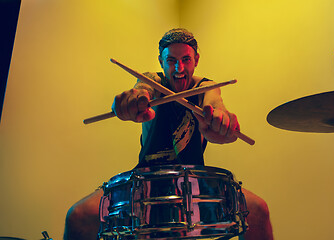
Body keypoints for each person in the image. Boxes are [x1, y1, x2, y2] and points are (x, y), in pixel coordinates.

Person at [64, 28, 273, 240]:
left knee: (258, 210)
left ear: (196, 59)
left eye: (185, 59)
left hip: (194, 182)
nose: (179, 68)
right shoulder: (153, 80)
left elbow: (215, 103)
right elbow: (143, 89)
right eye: (171, 60)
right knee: (79, 216)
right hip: (145, 180)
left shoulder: (205, 87)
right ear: (161, 61)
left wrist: (221, 119)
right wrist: (134, 100)